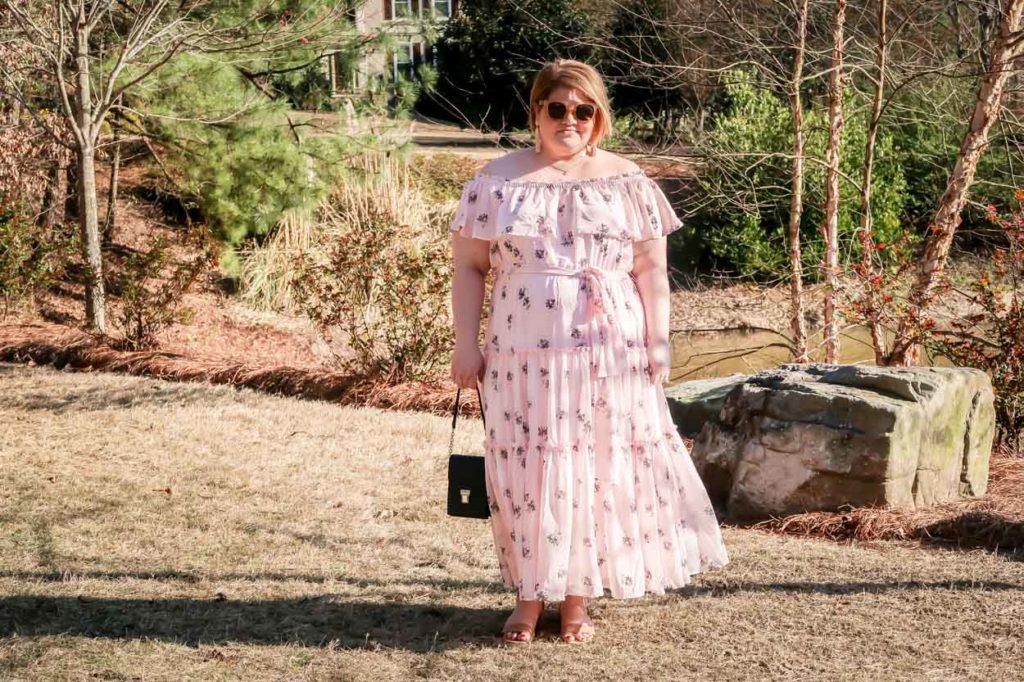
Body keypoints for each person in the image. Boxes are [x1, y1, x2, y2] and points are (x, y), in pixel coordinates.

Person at [448, 58, 730, 645]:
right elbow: (471, 270)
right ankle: (528, 598)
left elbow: (651, 269)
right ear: (537, 112)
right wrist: (464, 346)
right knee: (528, 468)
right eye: (558, 107)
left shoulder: (628, 182)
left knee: (596, 465)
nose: (569, 119)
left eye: (583, 109)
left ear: (599, 117)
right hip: (521, 352)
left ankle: (576, 600)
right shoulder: (497, 180)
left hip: (609, 350)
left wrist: (658, 343)